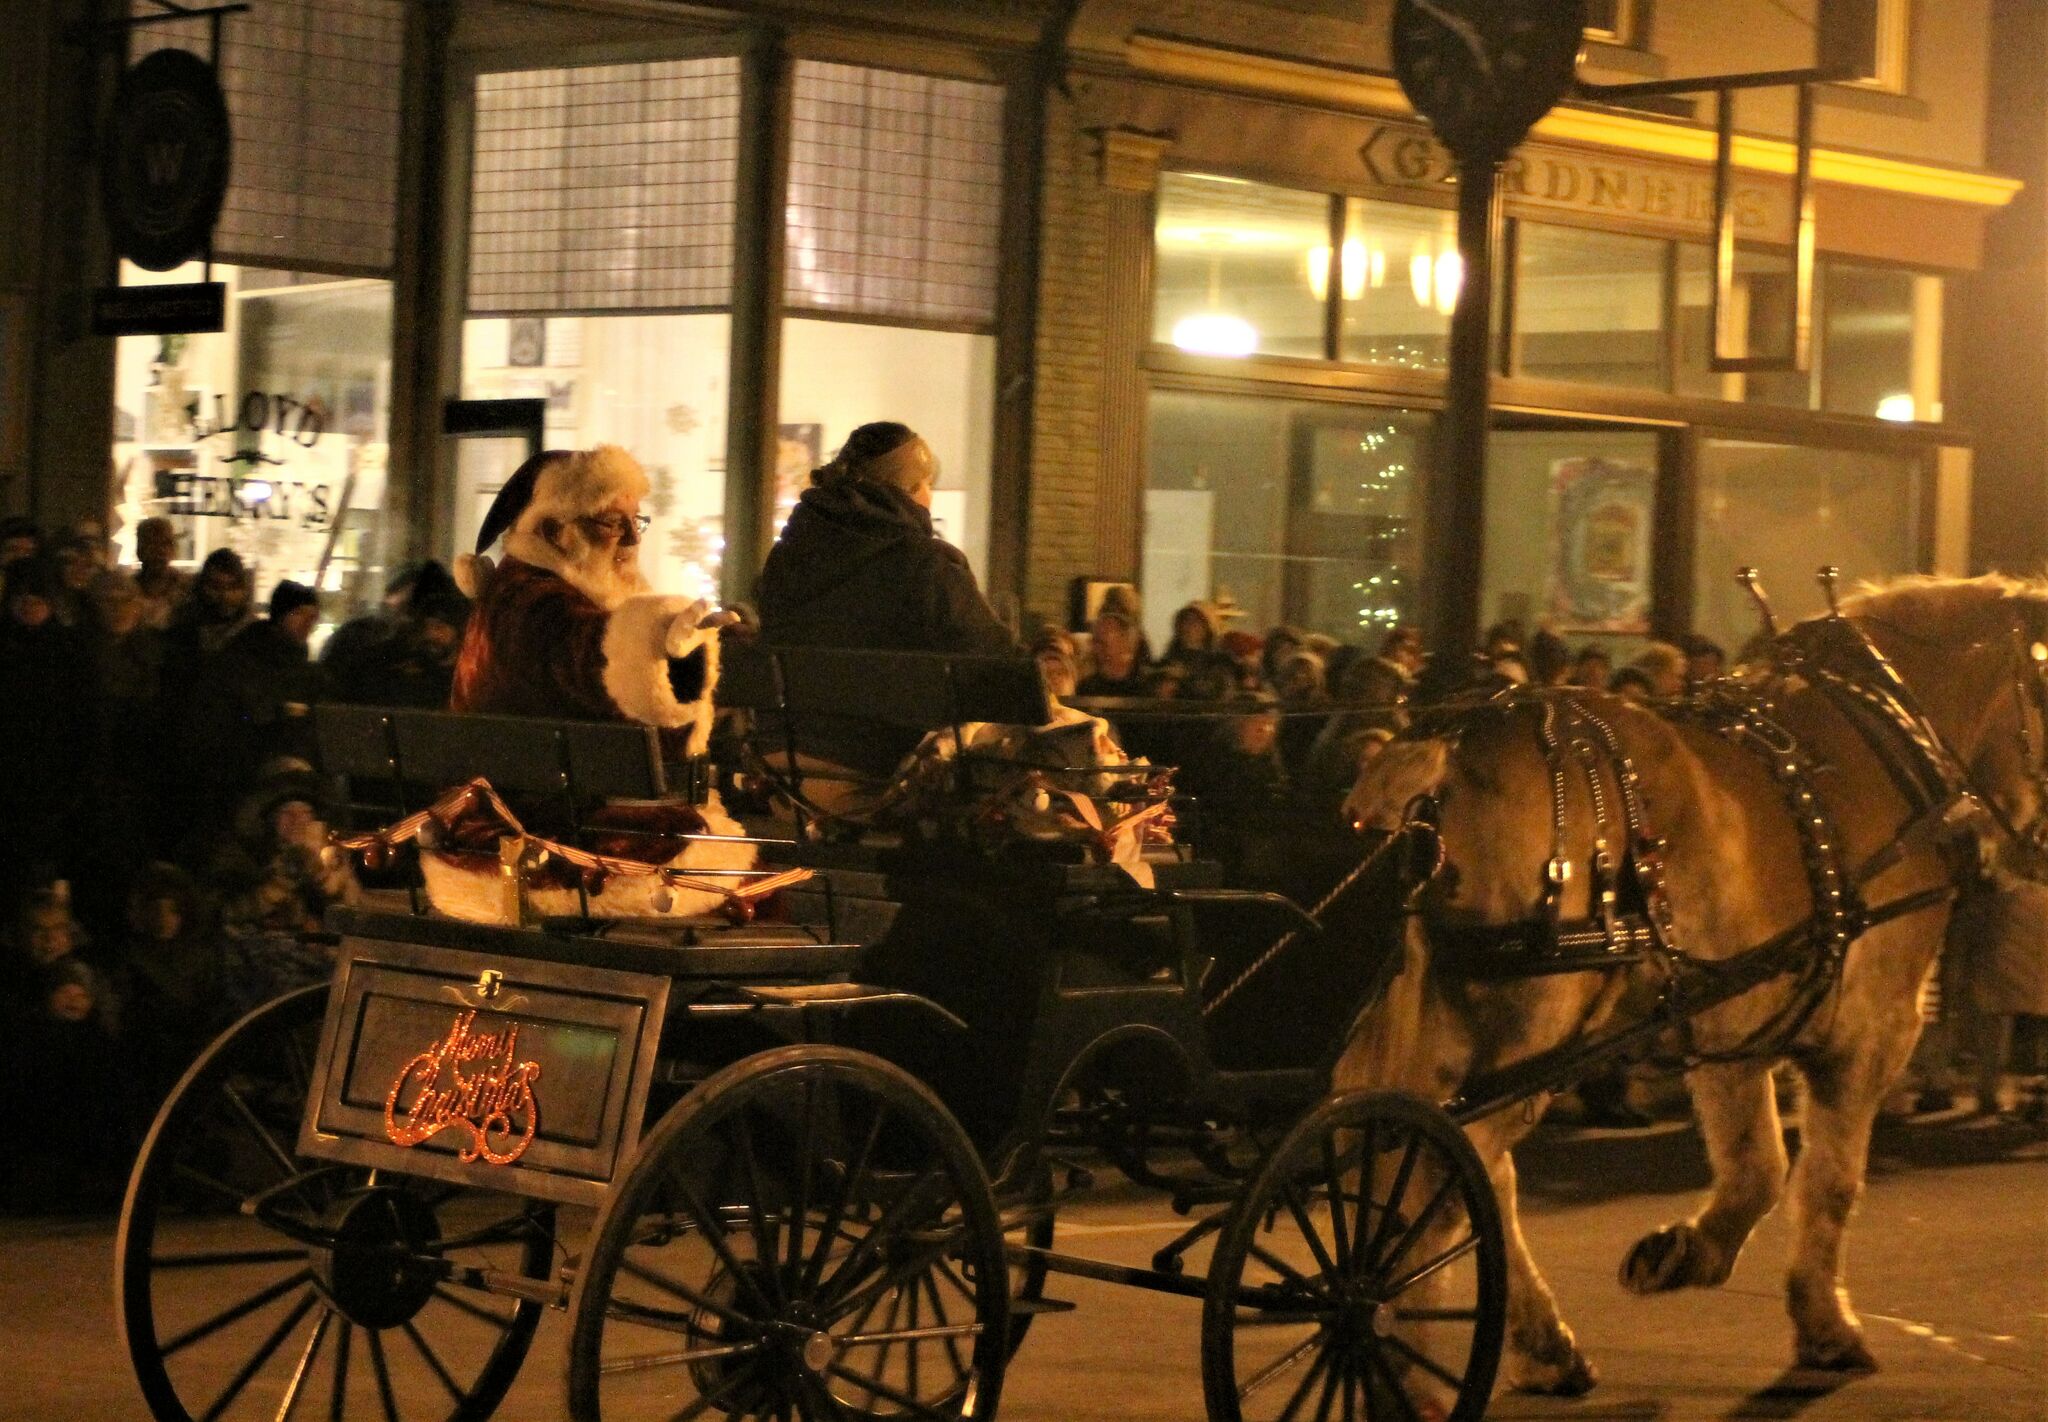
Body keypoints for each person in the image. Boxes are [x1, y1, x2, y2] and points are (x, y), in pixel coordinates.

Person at [442, 443, 749, 921]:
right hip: (547, 831)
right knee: (747, 888)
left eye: (636, 521)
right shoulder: (544, 607)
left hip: (515, 815)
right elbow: (599, 661)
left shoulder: (517, 592)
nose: (631, 538)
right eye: (611, 521)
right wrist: (665, 642)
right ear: (555, 531)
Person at [756, 421, 1016, 777]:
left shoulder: (785, 559)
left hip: (782, 765)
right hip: (887, 770)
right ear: (914, 489)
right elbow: (1001, 665)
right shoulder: (928, 564)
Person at [128, 516, 191, 630]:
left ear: (174, 549)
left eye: (165, 543)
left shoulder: (189, 590)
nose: (159, 551)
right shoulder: (126, 592)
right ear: (139, 550)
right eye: (151, 543)